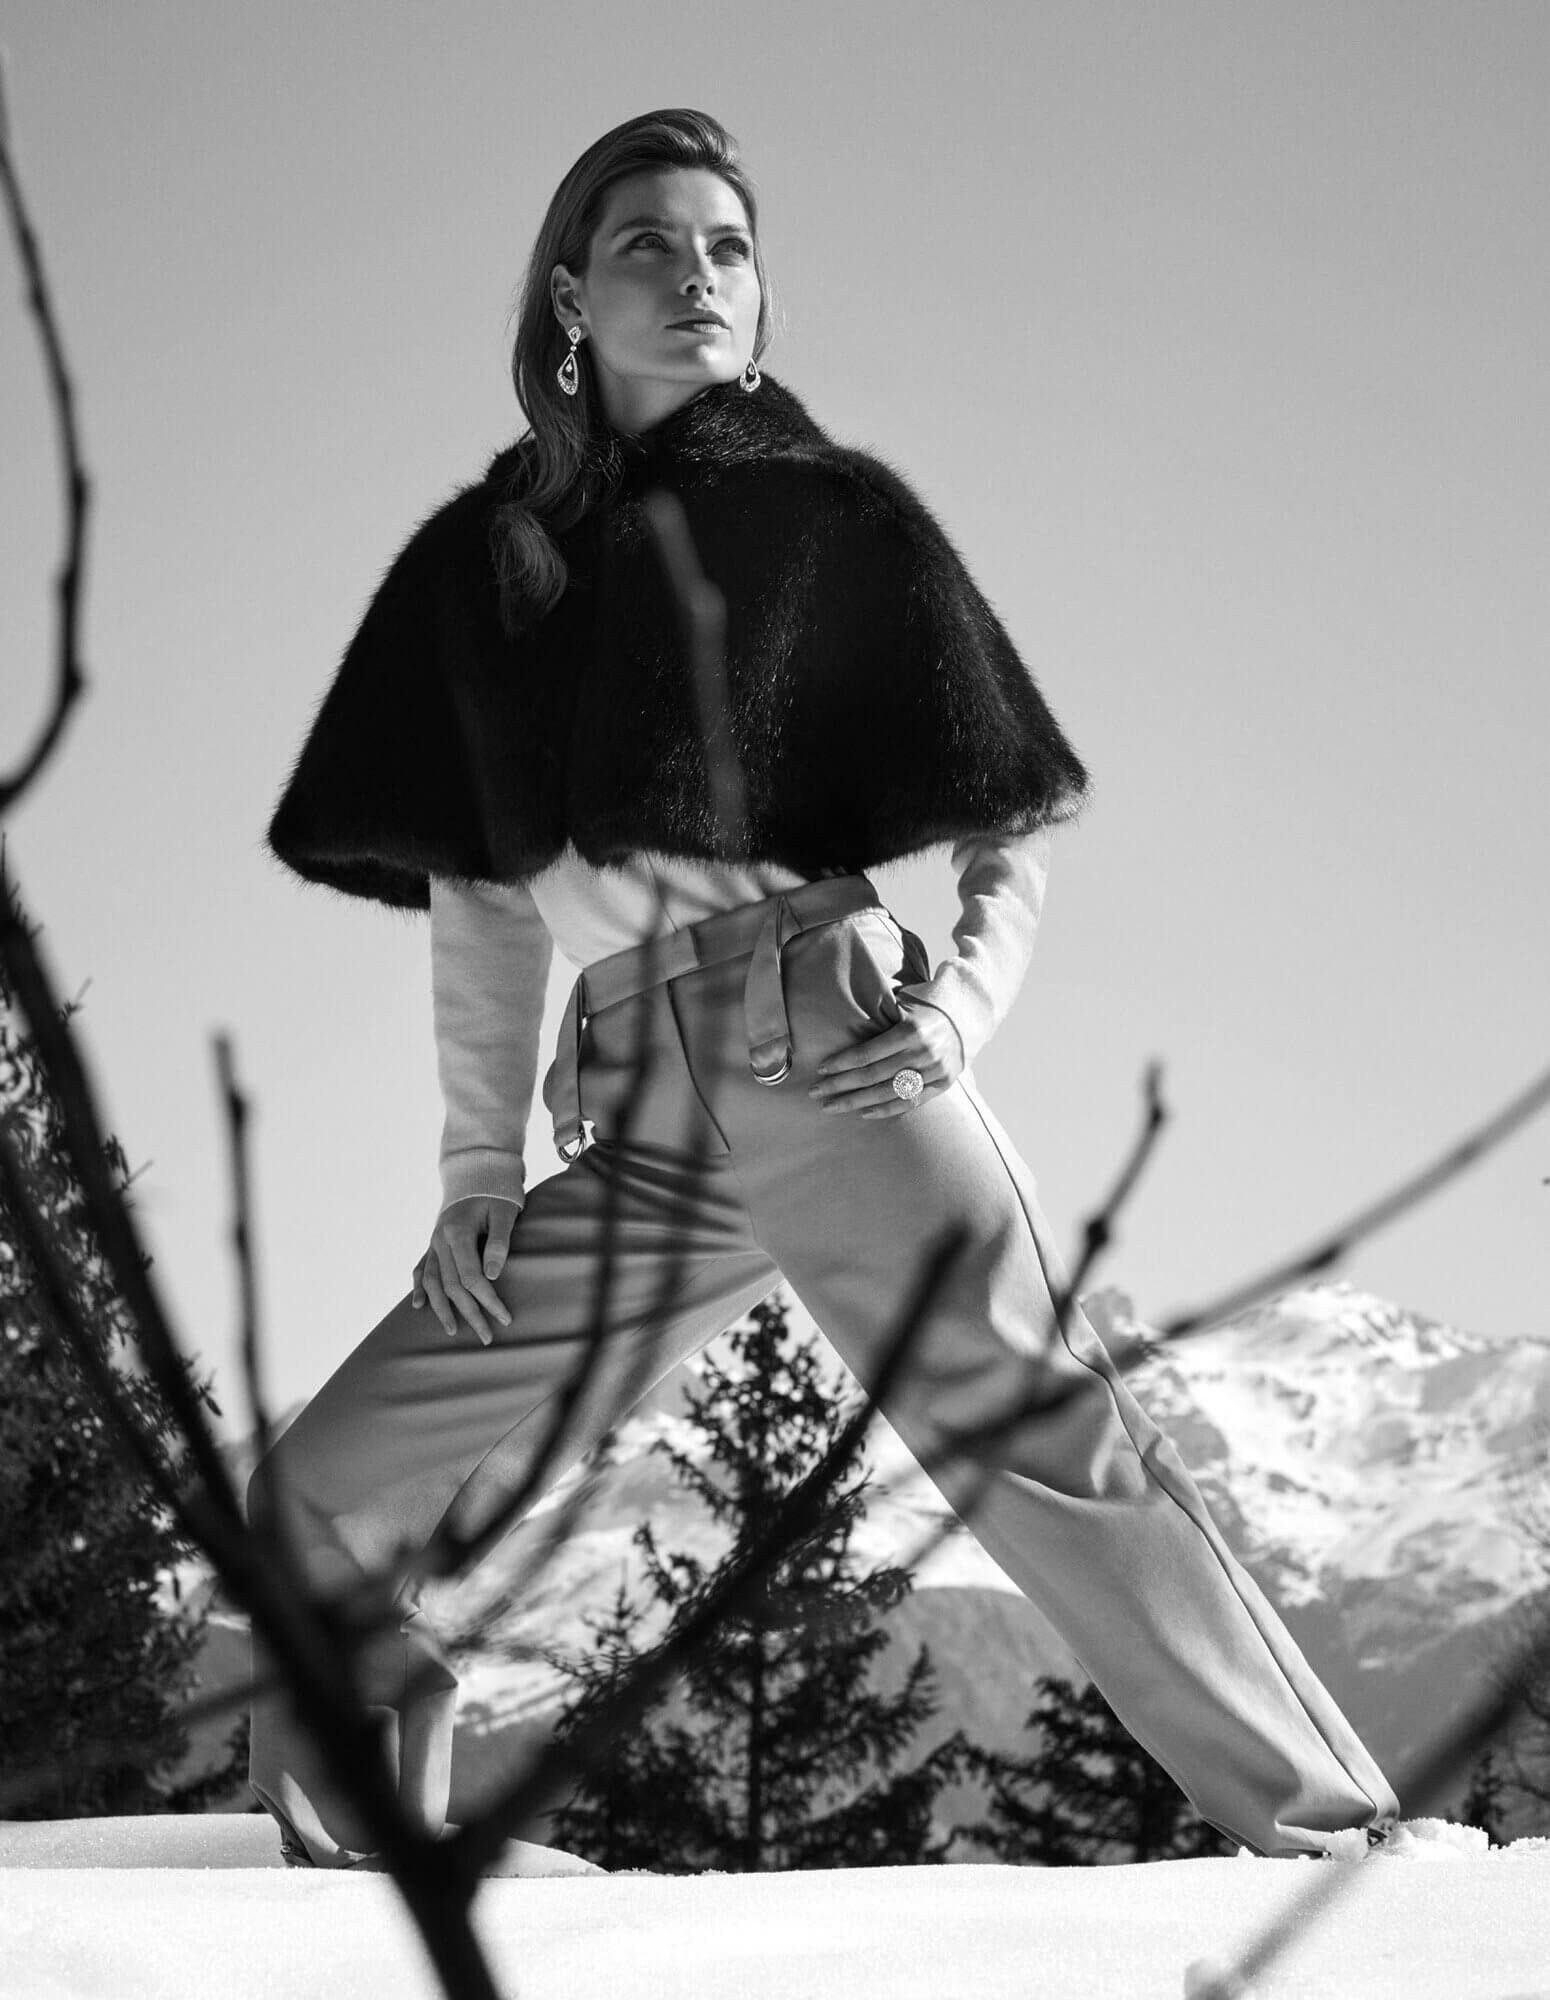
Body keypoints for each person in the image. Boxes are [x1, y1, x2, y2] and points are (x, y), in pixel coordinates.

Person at [250, 106, 1399, 1870]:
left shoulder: (827, 517)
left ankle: (1335, 1855)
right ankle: (359, 1862)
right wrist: (477, 1180)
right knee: (321, 1486)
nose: (696, 274)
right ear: (568, 293)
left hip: (834, 1055)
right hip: (629, 1122)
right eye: (648, 242)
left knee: (1045, 1452)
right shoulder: (481, 575)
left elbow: (1012, 815)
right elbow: (476, 903)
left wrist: (954, 1012)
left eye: (727, 246)